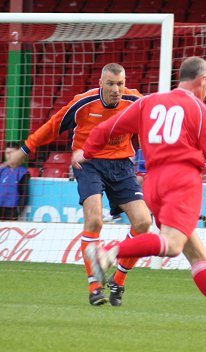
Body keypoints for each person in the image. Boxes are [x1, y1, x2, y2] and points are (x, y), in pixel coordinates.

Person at [72, 56, 206, 333]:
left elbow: (105, 130)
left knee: (197, 255)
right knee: (172, 245)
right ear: (203, 80)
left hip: (154, 183)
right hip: (182, 180)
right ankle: (108, 253)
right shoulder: (200, 110)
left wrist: (86, 153)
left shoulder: (148, 102)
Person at [7, 63, 152, 307]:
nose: (116, 89)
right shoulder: (82, 103)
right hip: (88, 163)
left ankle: (118, 278)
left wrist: (143, 167)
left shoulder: (136, 101)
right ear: (101, 84)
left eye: (120, 83)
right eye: (111, 84)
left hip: (122, 166)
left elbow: (152, 129)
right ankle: (95, 286)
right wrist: (25, 149)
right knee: (94, 220)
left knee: (143, 222)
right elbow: (53, 125)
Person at [0, 141, 30, 220]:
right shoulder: (1, 169)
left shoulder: (23, 172)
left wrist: (18, 210)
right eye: (7, 153)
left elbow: (24, 194)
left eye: (12, 153)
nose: (9, 156)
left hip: (12, 210)